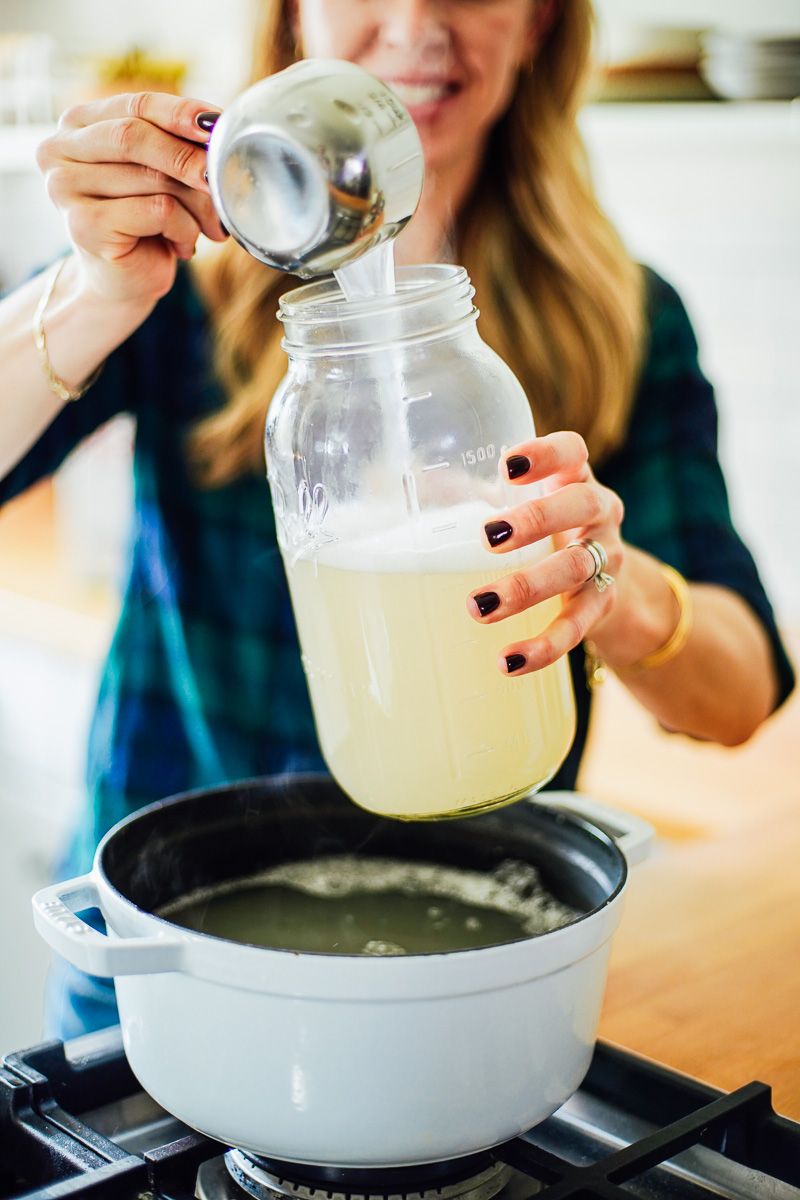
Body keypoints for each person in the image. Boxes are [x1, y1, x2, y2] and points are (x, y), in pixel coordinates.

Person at [0, 0, 793, 1038]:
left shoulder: (623, 318)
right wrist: (92, 292)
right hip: (169, 953)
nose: (419, 23)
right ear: (292, 16)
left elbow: (738, 696)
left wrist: (607, 578)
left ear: (541, 22)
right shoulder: (177, 287)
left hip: (470, 957)